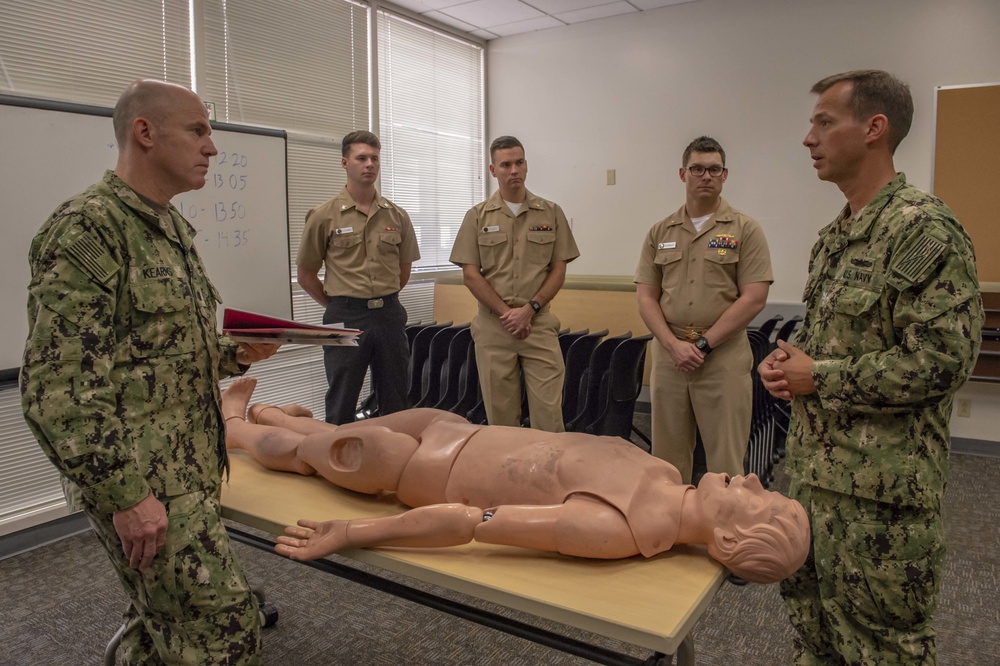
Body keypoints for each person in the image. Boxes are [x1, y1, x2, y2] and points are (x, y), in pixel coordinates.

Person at [20, 80, 279, 664]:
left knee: (164, 623)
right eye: (198, 130)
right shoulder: (90, 229)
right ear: (145, 132)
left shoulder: (166, 229)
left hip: (186, 465)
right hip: (143, 478)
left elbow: (158, 354)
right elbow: (57, 391)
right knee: (224, 629)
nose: (211, 147)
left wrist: (235, 354)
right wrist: (127, 496)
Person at [759, 70, 983, 664]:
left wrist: (820, 377)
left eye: (825, 122)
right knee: (815, 640)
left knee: (883, 651)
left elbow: (941, 360)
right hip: (814, 484)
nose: (809, 138)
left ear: (874, 128)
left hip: (880, 501)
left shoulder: (921, 228)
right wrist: (787, 364)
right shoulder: (835, 236)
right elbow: (829, 338)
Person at [221, 377, 810, 584]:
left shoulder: (613, 527)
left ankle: (236, 429)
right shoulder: (664, 472)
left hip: (418, 470)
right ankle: (277, 420)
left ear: (729, 542)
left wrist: (350, 531)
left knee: (318, 451)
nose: (753, 479)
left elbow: (470, 524)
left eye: (756, 500)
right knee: (330, 437)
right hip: (454, 429)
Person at [635, 136, 772, 484]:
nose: (705, 176)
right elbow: (646, 297)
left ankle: (723, 533)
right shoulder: (660, 231)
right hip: (670, 355)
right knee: (666, 462)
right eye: (697, 169)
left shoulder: (745, 229)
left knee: (725, 461)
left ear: (725, 175)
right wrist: (672, 345)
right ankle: (670, 535)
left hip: (721, 357)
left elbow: (754, 297)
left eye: (713, 169)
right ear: (683, 174)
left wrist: (704, 344)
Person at [450, 136, 579, 432]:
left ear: (526, 165)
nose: (514, 170)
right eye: (506, 164)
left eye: (519, 163)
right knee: (501, 417)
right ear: (493, 170)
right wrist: (507, 314)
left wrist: (529, 309)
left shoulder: (550, 212)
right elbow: (471, 275)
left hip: (538, 324)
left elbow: (558, 270)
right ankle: (506, 478)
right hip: (494, 327)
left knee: (549, 415)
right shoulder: (477, 216)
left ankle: (547, 476)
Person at [296, 130, 420, 424]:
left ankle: (393, 461)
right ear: (344, 163)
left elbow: (403, 270)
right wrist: (339, 304)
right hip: (346, 315)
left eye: (374, 158)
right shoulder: (324, 215)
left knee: (396, 397)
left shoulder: (396, 215)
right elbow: (306, 274)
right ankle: (337, 466)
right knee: (342, 398)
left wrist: (381, 297)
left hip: (389, 314)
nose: (369, 164)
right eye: (361, 158)